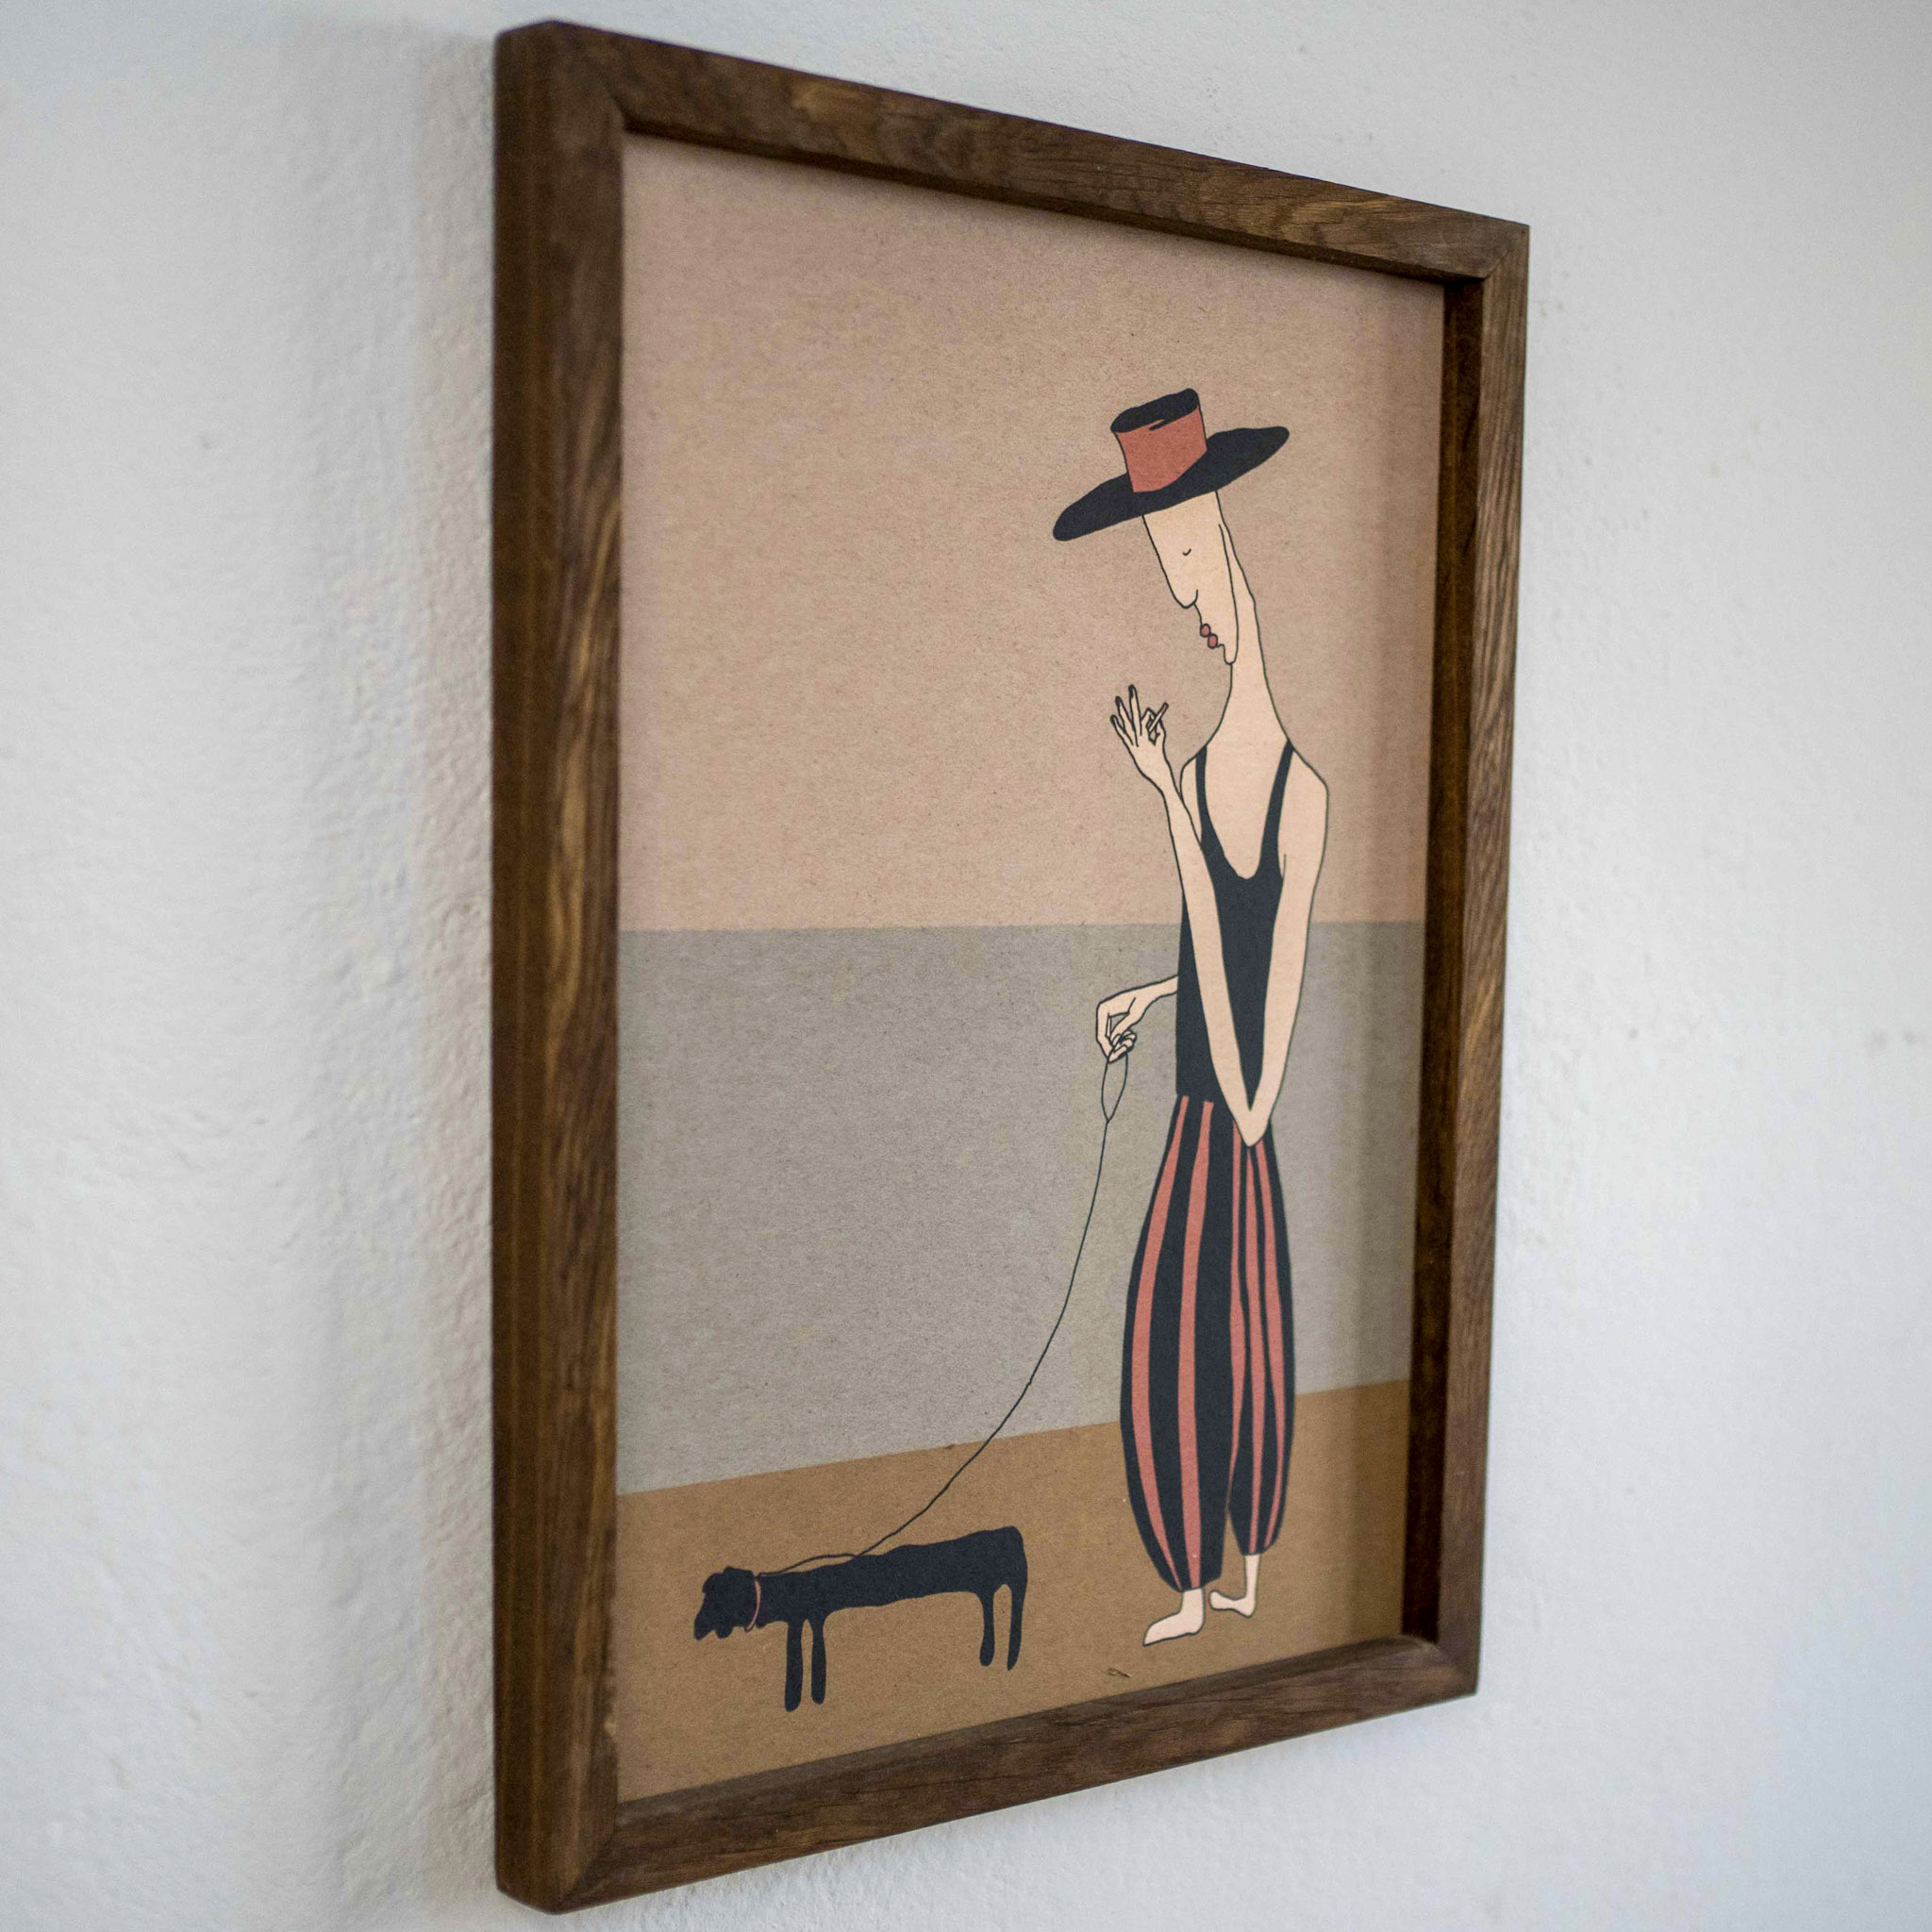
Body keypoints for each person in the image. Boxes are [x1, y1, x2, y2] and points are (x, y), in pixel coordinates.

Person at [1054, 390, 1327, 1644]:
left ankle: (1234, 1581)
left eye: (1188, 569)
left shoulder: (1291, 793)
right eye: (1173, 575)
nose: (1188, 606)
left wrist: (1171, 813)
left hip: (1230, 1129)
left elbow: (1256, 1076)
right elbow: (1223, 948)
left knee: (1217, 1343)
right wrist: (1148, 990)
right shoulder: (1214, 760)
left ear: (1217, 542)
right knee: (1182, 1343)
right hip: (1191, 1107)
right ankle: (1204, 1585)